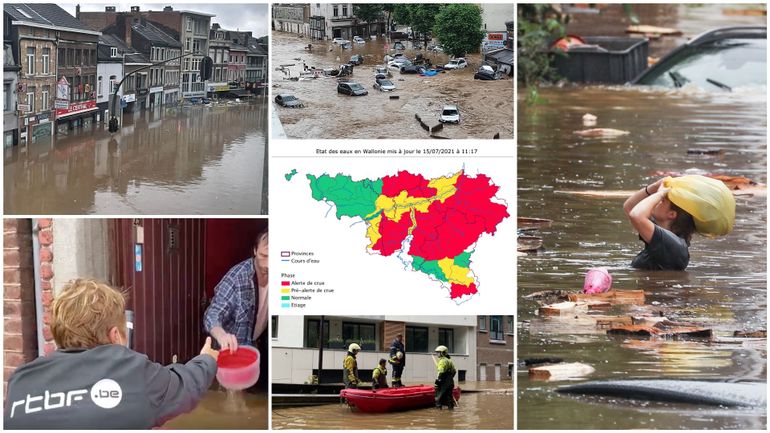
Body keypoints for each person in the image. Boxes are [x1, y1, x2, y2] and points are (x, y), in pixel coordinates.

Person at [4, 279, 218, 429]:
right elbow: (186, 386)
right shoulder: (131, 370)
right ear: (115, 335)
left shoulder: (21, 380)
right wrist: (207, 359)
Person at [204, 229, 268, 387]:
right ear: (254, 251)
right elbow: (212, 314)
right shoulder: (236, 278)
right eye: (264, 256)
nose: (269, 265)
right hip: (231, 355)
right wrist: (222, 336)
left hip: (259, 351)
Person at [623, 178, 695, 270]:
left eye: (662, 200)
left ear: (671, 214)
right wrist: (655, 186)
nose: (656, 201)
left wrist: (660, 194)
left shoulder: (674, 245)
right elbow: (630, 208)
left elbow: (636, 215)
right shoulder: (664, 233)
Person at [433, 345, 456, 410]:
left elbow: (441, 371)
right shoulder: (449, 360)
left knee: (438, 398)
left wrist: (438, 381)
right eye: (437, 352)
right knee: (449, 398)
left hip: (443, 382)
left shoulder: (442, 361)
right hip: (450, 382)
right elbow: (454, 371)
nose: (437, 354)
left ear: (443, 353)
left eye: (438, 352)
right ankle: (451, 410)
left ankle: (439, 412)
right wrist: (450, 379)